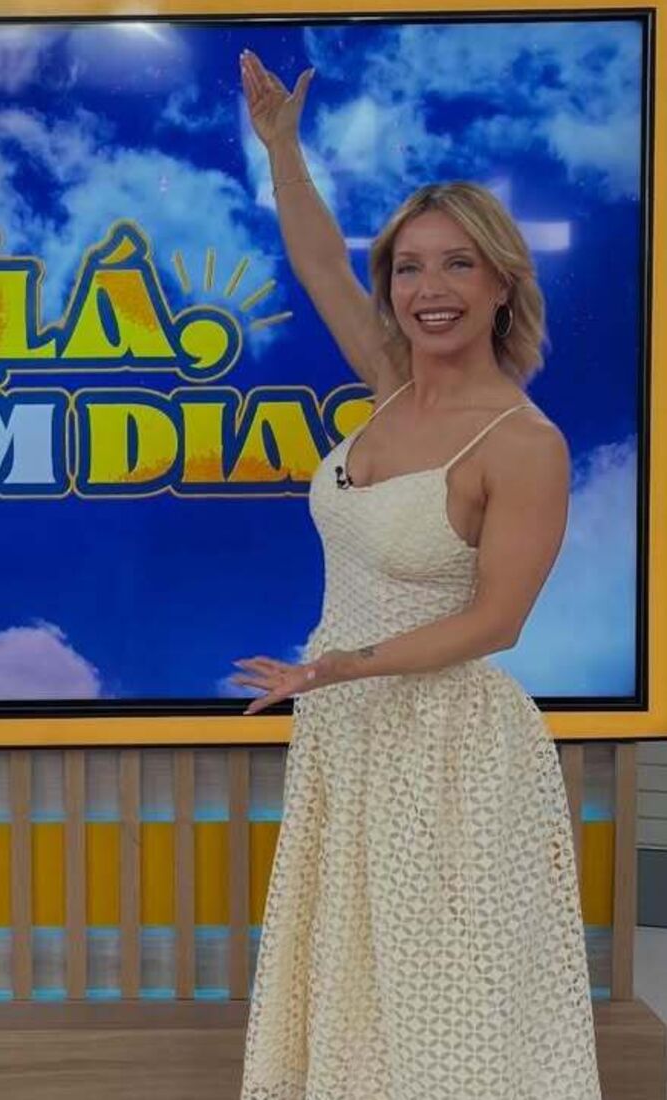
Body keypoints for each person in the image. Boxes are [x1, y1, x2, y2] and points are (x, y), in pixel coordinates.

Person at [231, 49, 602, 1100]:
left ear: (501, 283)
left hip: (448, 752)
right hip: (345, 733)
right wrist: (282, 150)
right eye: (406, 267)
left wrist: (341, 666)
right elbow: (319, 263)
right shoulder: (389, 384)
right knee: (352, 980)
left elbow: (496, 621)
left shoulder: (523, 444)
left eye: (457, 266)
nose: (428, 290)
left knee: (444, 994)